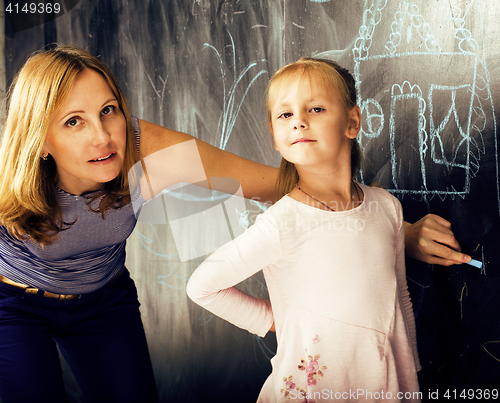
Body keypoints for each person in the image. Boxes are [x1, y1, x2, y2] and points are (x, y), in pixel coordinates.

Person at [0, 45, 278, 403]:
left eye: (108, 111)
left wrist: (356, 200)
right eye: (74, 121)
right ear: (40, 141)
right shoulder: (8, 178)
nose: (102, 136)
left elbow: (269, 184)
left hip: (102, 299)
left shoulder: (144, 148)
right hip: (14, 304)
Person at [187, 58, 421, 402]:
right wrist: (275, 319)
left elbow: (399, 297)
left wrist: (409, 373)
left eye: (315, 108)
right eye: (285, 115)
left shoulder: (386, 208)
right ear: (276, 139)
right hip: (313, 388)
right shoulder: (282, 223)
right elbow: (202, 286)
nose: (298, 121)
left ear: (352, 122)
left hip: (383, 385)